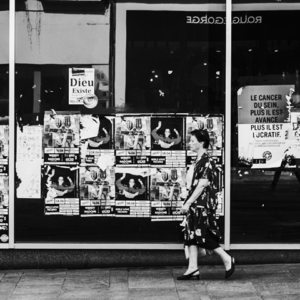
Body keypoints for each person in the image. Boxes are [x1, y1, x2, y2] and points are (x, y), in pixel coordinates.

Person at [177, 129, 235, 280]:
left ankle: (227, 258)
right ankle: (192, 268)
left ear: (201, 143)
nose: (190, 143)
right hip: (195, 204)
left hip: (201, 205)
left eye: (192, 140)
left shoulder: (207, 161)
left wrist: (188, 203)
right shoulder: (198, 160)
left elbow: (202, 184)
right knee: (191, 235)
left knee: (203, 235)